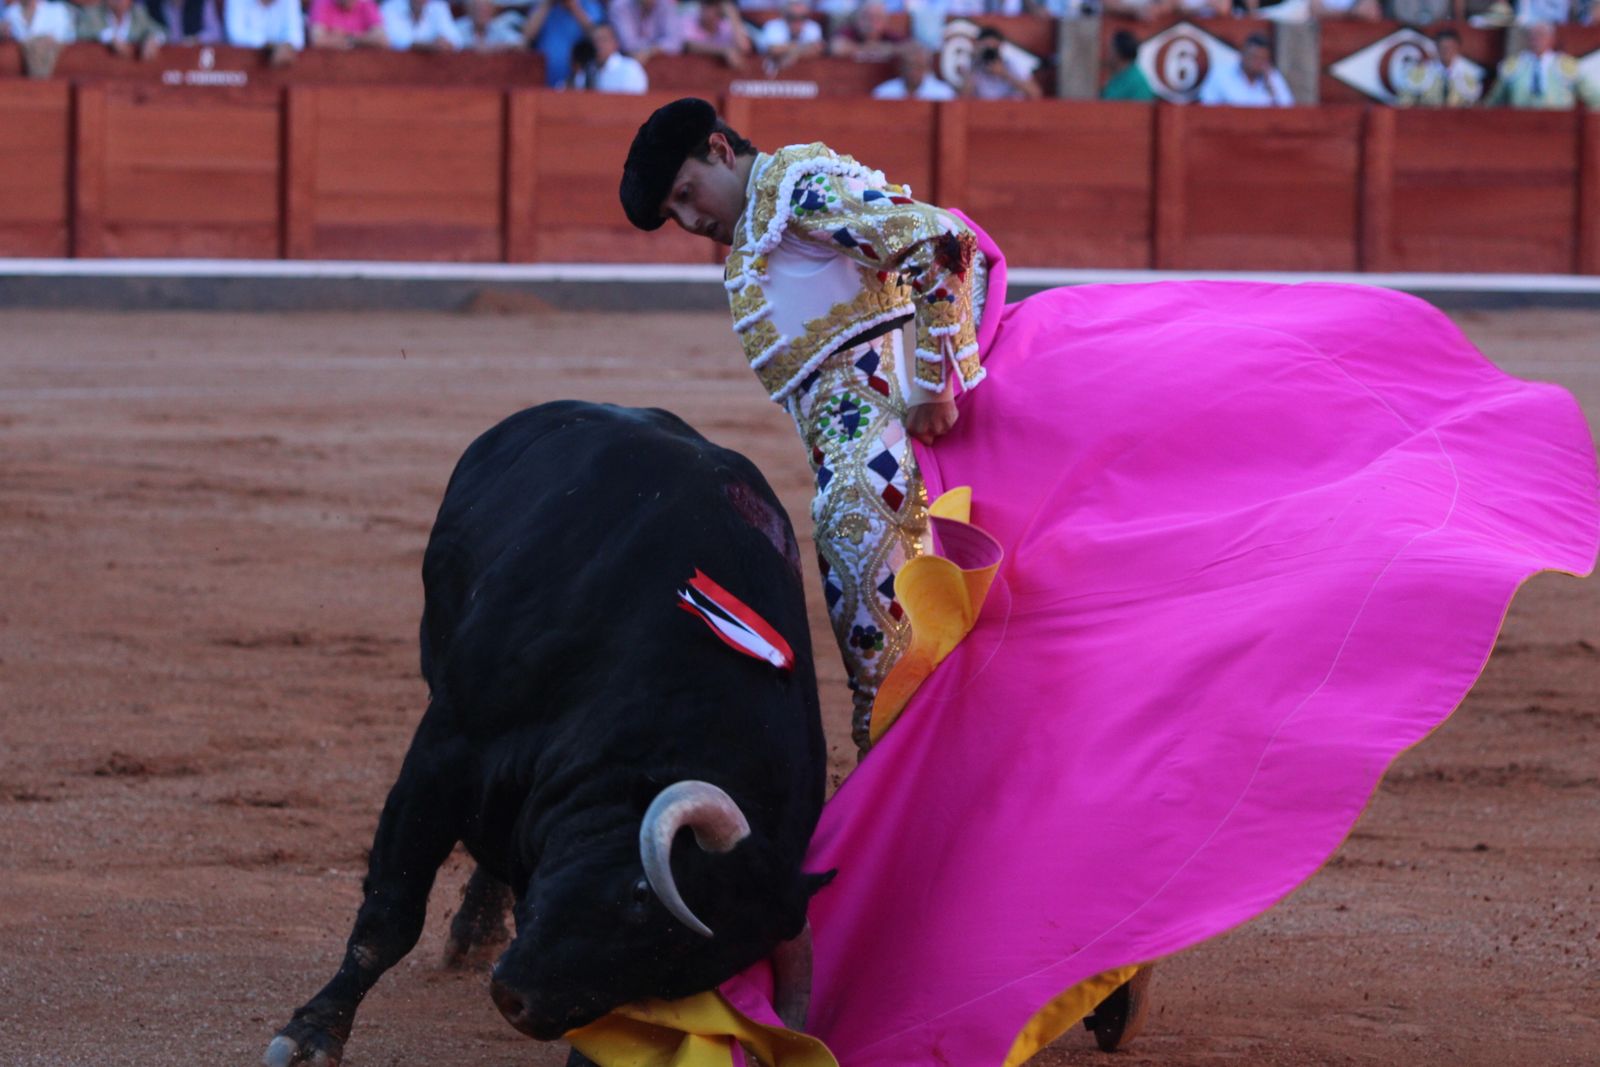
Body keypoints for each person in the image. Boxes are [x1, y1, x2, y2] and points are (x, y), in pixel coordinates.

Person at [611, 96, 1599, 1066]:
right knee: (917, 721)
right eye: (675, 217)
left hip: (902, 483)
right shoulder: (755, 237)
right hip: (858, 491)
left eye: (687, 193)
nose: (689, 219)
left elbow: (934, 245)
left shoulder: (799, 185)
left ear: (717, 146)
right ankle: (1057, 942)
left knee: (924, 723)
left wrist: (934, 376)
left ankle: (1042, 945)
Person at [1484, 21, 1600, 107]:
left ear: (1551, 39)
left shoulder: (1566, 65)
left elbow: (1592, 96)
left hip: (1560, 125)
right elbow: (1495, 99)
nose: (1536, 39)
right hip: (1519, 123)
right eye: (1533, 35)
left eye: (1541, 35)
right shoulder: (1513, 65)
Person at [1198, 32, 1294, 106]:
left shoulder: (1272, 76)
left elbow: (1288, 108)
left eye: (1262, 59)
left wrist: (1271, 87)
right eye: (1254, 57)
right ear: (1243, 54)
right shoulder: (1221, 74)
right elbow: (1207, 104)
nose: (1258, 62)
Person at [521, 0, 602, 87]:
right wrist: (547, 5)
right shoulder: (542, 6)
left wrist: (574, 8)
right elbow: (525, 38)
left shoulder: (589, 5)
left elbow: (598, 38)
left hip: (579, 83)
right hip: (544, 80)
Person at [1399, 28, 1482, 106]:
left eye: (1450, 48)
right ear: (1436, 48)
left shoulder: (1471, 72)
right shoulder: (1423, 70)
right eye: (1443, 48)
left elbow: (1474, 102)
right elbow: (1406, 100)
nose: (1446, 51)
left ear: (1457, 48)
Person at [957, 26, 1041, 100]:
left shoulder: (1012, 65)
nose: (990, 51)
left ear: (1000, 46)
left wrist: (1004, 74)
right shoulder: (973, 67)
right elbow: (962, 100)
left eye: (993, 47)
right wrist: (974, 64)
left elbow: (1035, 93)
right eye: (986, 47)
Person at [572, 22, 649, 91]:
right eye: (594, 41)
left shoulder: (630, 68)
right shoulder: (587, 70)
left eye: (603, 40)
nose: (598, 45)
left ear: (615, 43)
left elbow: (635, 101)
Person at [77, 0, 165, 58]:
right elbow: (82, 31)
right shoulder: (94, 13)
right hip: (101, 71)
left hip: (133, 72)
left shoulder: (138, 14)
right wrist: (110, 37)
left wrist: (153, 39)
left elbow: (160, 30)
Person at [225, 0, 305, 64]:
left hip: (282, 62)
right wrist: (271, 46)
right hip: (242, 64)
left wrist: (287, 46)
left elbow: (296, 37)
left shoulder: (290, 1)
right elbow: (236, 35)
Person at [681, 0, 754, 67]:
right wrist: (723, 51)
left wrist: (732, 13)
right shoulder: (688, 22)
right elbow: (687, 45)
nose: (713, 10)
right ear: (701, 5)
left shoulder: (726, 27)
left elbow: (744, 47)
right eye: (709, 4)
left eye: (717, 5)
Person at [870, 42, 956, 99]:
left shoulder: (943, 94)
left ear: (927, 68)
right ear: (901, 67)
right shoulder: (884, 93)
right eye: (910, 66)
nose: (914, 71)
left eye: (919, 66)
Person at [759, 0, 824, 69]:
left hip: (807, 71)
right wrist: (804, 48)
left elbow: (816, 50)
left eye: (803, 17)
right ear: (783, 15)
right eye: (792, 17)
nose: (798, 22)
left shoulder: (813, 27)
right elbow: (774, 50)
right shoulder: (772, 26)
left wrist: (787, 52)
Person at [1100, 28, 1155, 101]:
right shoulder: (1123, 75)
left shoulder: (1135, 81)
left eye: (1110, 49)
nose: (1106, 53)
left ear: (1117, 53)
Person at [379, 0, 460, 48]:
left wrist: (445, 43)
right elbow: (393, 39)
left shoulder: (438, 7)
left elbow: (455, 40)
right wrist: (428, 46)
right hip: (399, 66)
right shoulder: (390, 6)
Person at [308, 0, 386, 48]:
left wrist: (350, 38)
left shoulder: (367, 4)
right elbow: (317, 40)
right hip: (329, 64)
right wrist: (364, 38)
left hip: (364, 65)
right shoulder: (322, 3)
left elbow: (382, 40)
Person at [453, 0, 522, 50]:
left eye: (485, 10)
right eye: (477, 9)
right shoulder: (457, 27)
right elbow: (449, 44)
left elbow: (519, 43)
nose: (481, 13)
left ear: (492, 11)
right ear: (469, 11)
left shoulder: (498, 26)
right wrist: (471, 48)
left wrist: (492, 47)